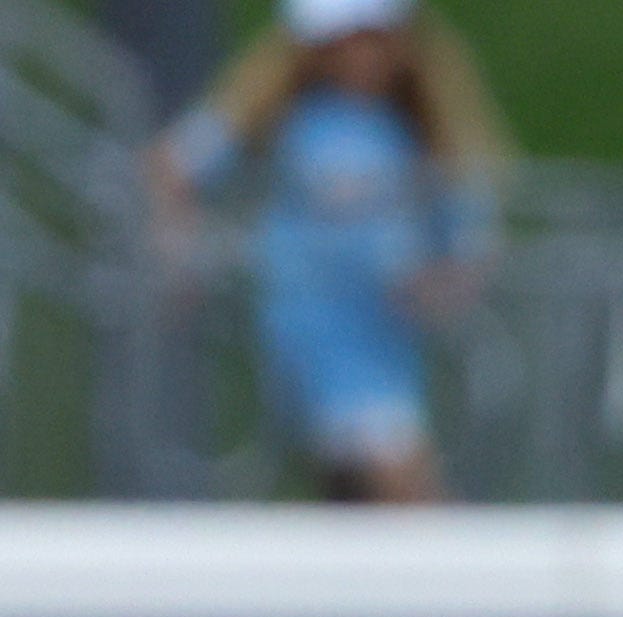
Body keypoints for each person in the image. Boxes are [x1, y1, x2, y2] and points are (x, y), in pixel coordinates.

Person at [145, 0, 510, 506]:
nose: (362, 57)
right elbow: (178, 163)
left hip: (384, 339)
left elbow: (469, 235)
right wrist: (180, 255)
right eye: (346, 41)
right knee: (404, 489)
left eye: (374, 39)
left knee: (357, 500)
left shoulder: (409, 130)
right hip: (311, 333)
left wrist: (438, 285)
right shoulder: (290, 116)